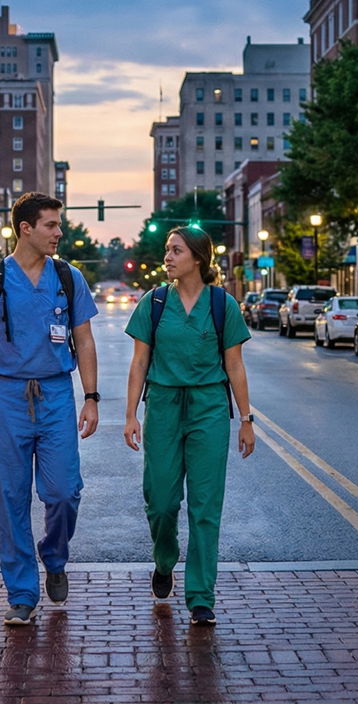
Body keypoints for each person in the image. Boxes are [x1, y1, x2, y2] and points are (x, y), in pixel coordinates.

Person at [0, 192, 100, 627]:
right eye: (51, 225)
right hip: (7, 396)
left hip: (56, 394)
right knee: (11, 497)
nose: (59, 233)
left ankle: (54, 557)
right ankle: (22, 592)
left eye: (59, 224)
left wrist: (91, 397)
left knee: (64, 492)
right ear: (26, 228)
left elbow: (84, 340)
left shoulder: (69, 277)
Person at [123, 226, 254, 626]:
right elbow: (139, 362)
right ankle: (164, 560)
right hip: (163, 405)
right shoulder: (154, 302)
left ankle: (201, 596)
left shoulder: (223, 305)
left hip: (209, 408)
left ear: (197, 258)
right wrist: (130, 414)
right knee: (161, 502)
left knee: (205, 505)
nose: (167, 257)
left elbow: (235, 365)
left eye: (176, 250)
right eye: (167, 250)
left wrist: (246, 419)